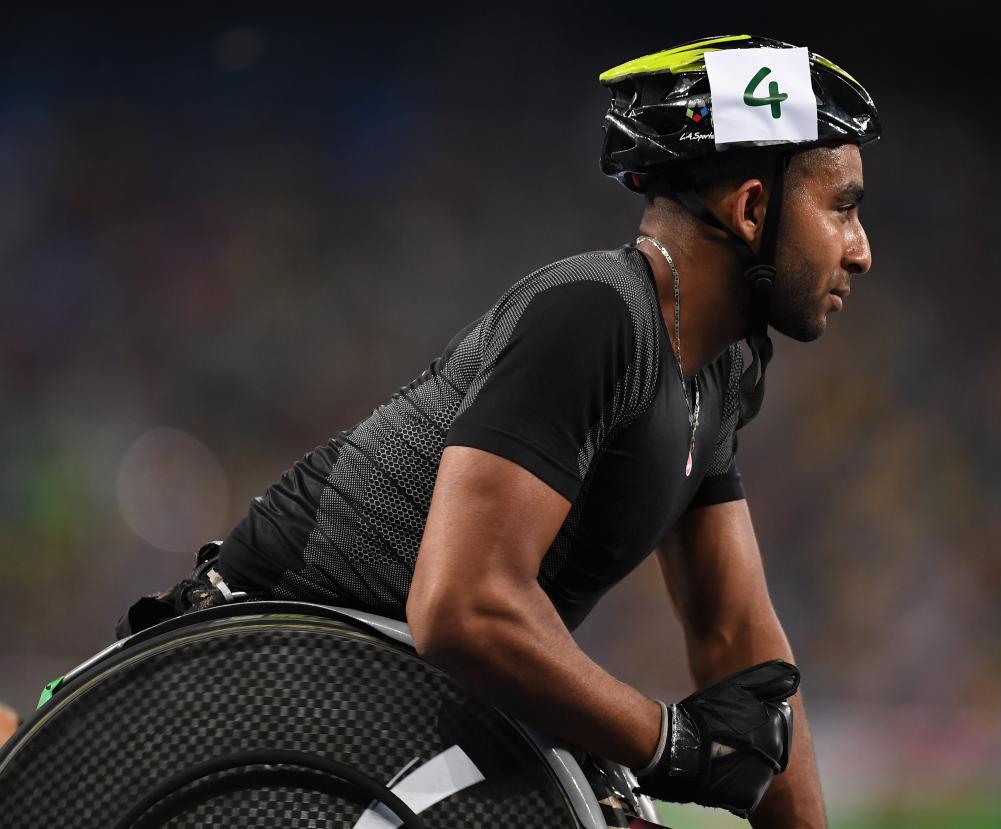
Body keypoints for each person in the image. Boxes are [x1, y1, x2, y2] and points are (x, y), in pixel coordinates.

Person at [123, 34, 880, 827]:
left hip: (365, 707)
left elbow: (741, 648)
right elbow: (463, 607)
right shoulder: (596, 312)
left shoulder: (720, 372)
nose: (860, 251)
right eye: (844, 206)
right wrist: (670, 744)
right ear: (752, 207)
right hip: (238, 699)